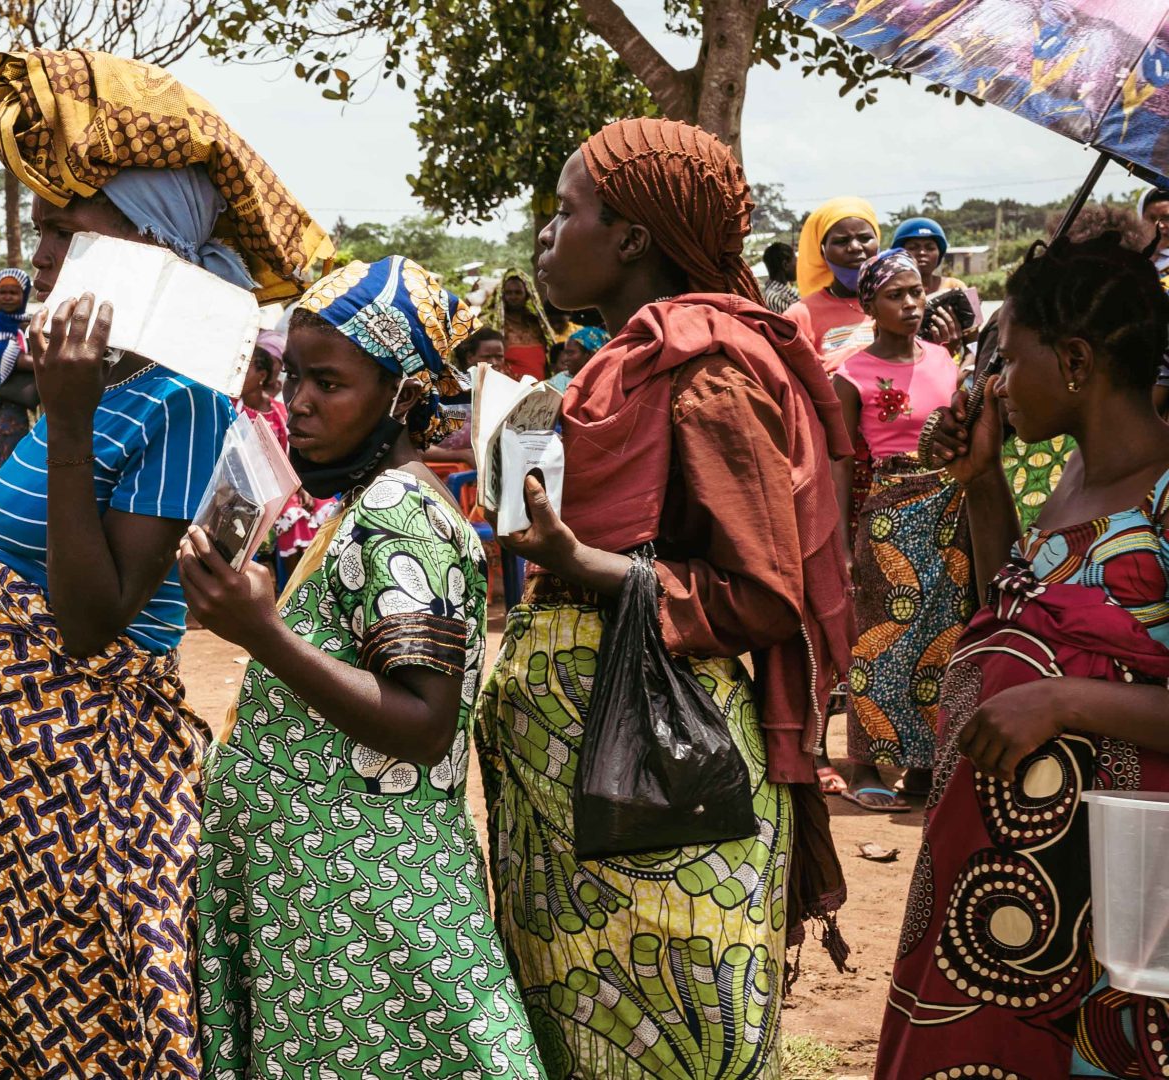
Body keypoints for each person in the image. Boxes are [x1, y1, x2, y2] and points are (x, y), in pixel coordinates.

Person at [0, 46, 334, 1077]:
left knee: (101, 1022)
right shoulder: (94, 364)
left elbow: (90, 619)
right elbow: (28, 554)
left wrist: (66, 427)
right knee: (26, 1019)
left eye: (69, 228)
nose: (42, 248)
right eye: (41, 225)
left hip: (78, 783)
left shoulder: (179, 391)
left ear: (152, 244)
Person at [476, 118, 853, 1079]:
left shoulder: (708, 374)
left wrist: (579, 559)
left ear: (634, 236)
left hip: (661, 789)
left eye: (567, 214)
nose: (547, 238)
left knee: (668, 1045)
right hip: (586, 804)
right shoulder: (623, 365)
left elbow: (763, 592)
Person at [180, 256, 544, 1076]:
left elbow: (422, 723)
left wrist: (264, 635)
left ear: (405, 396)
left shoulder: (398, 513)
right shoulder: (362, 505)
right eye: (293, 378)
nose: (297, 402)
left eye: (329, 384)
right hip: (326, 896)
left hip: (368, 901)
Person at [880, 233, 1169, 1079]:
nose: (993, 382)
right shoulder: (1073, 479)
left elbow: (1054, 683)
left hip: (1104, 905)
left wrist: (1063, 705)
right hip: (999, 892)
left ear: (1076, 361)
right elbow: (1014, 626)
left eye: (1006, 358)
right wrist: (982, 482)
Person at [829, 249, 971, 812]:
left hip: (948, 508)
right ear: (870, 305)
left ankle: (922, 767)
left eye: (916, 292)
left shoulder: (945, 359)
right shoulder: (852, 374)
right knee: (879, 642)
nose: (912, 304)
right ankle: (865, 764)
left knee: (941, 638)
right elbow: (841, 461)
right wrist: (841, 540)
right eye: (896, 295)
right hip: (888, 511)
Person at [788, 196, 882, 367]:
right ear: (822, 252)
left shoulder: (898, 300)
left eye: (864, 238)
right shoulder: (800, 316)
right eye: (841, 241)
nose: (855, 247)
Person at [0, 267, 33, 465]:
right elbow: (11, 360)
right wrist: (50, 363)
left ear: (24, 294)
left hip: (39, 404)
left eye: (14, 292)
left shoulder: (30, 321)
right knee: (11, 464)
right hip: (10, 404)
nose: (8, 297)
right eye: (3, 292)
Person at [483, 267, 556, 380]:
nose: (513, 297)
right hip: (508, 390)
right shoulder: (492, 323)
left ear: (527, 294)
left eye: (518, 292)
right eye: (508, 293)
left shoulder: (537, 323)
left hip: (540, 390)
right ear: (502, 295)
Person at [893, 216, 966, 294]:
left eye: (930, 248)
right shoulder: (891, 289)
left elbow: (973, 306)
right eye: (913, 247)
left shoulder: (955, 287)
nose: (922, 253)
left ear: (939, 254)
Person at [548, 324, 608, 392]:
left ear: (589, 354)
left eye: (570, 353)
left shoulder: (610, 380)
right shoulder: (559, 382)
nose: (565, 359)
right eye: (566, 353)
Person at [762, 240, 800, 313]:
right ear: (785, 265)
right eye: (795, 261)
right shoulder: (774, 297)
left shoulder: (782, 292)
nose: (798, 266)